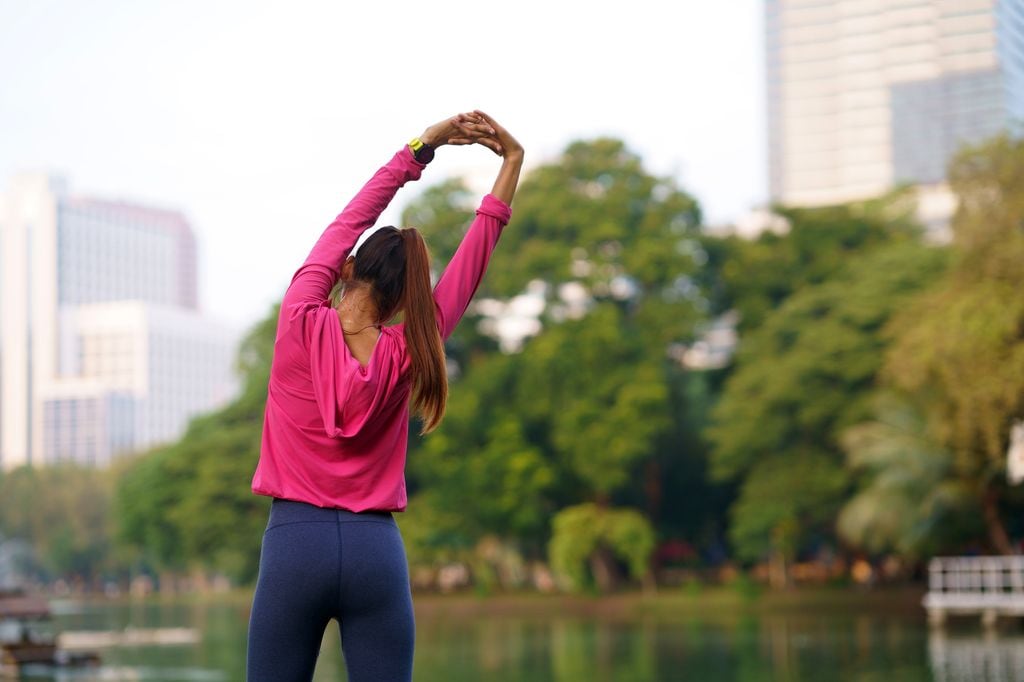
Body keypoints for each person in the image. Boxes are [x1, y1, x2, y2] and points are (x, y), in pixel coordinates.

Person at [246, 111, 523, 682]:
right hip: (376, 553)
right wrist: (511, 165)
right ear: (402, 301)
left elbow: (354, 217)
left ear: (347, 269)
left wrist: (424, 146)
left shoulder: (300, 317)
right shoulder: (411, 350)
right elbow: (471, 263)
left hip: (295, 545)